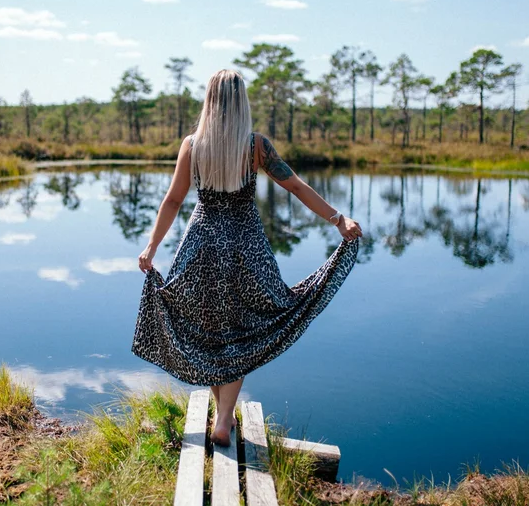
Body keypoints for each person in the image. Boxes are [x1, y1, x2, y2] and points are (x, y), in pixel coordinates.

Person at [132, 69, 362, 447]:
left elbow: (172, 200)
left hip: (201, 246)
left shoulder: (192, 145)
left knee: (209, 330)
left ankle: (221, 416)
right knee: (237, 332)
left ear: (209, 100)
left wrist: (151, 247)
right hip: (245, 249)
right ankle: (223, 420)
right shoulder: (256, 145)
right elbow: (296, 186)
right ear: (242, 103)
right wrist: (338, 219)